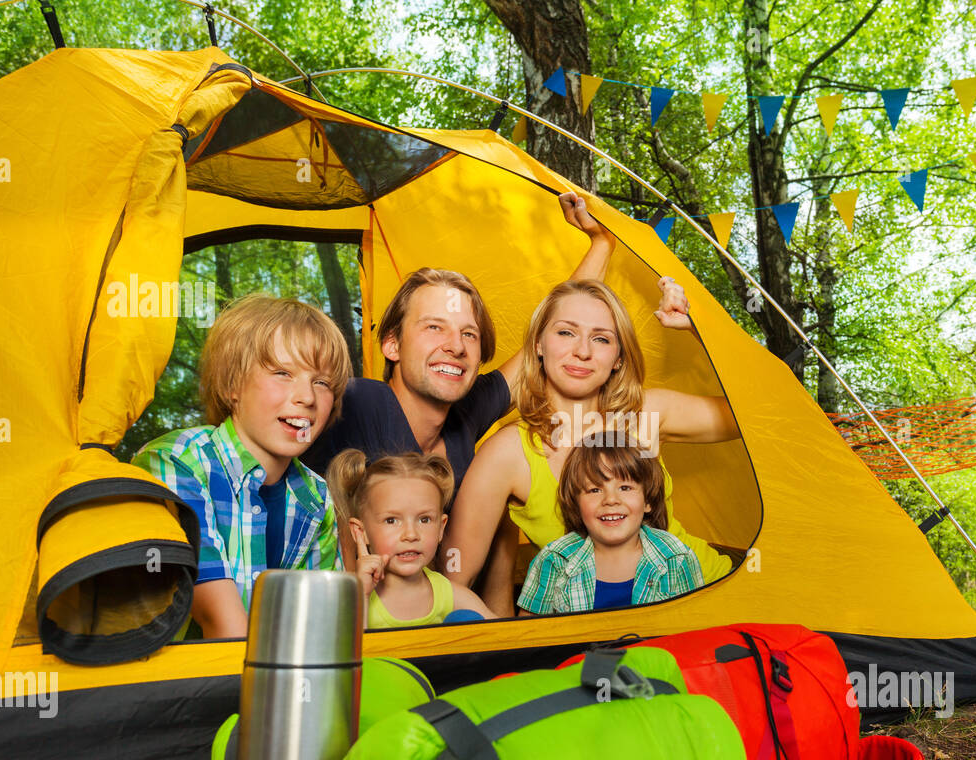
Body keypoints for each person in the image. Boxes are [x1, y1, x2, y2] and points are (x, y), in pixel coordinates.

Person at [442, 278, 740, 614]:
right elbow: (452, 579)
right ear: (538, 344)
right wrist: (505, 646)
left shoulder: (646, 414)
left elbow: (761, 412)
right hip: (600, 633)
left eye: (601, 338)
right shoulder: (508, 453)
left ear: (617, 358)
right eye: (566, 332)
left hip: (714, 595)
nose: (582, 351)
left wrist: (701, 329)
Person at [301, 193, 616, 500]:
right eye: (434, 327)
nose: (455, 346)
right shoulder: (354, 403)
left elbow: (551, 331)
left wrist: (602, 244)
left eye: (469, 334)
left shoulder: (464, 415)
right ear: (392, 345)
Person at [133, 295, 353, 639]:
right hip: (182, 685)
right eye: (282, 373)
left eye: (322, 382)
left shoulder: (315, 496)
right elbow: (225, 627)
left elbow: (320, 628)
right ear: (233, 385)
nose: (307, 397)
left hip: (270, 674)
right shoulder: (178, 462)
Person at [518, 437, 703, 615]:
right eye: (594, 490)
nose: (611, 500)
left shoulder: (676, 558)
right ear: (576, 505)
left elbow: (694, 632)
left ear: (648, 500)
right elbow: (528, 639)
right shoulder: (555, 561)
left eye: (625, 488)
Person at [326, 449, 493, 627]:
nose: (411, 534)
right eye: (391, 520)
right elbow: (346, 652)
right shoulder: (352, 597)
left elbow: (509, 641)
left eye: (424, 519)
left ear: (440, 528)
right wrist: (362, 596)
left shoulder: (451, 596)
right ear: (360, 531)